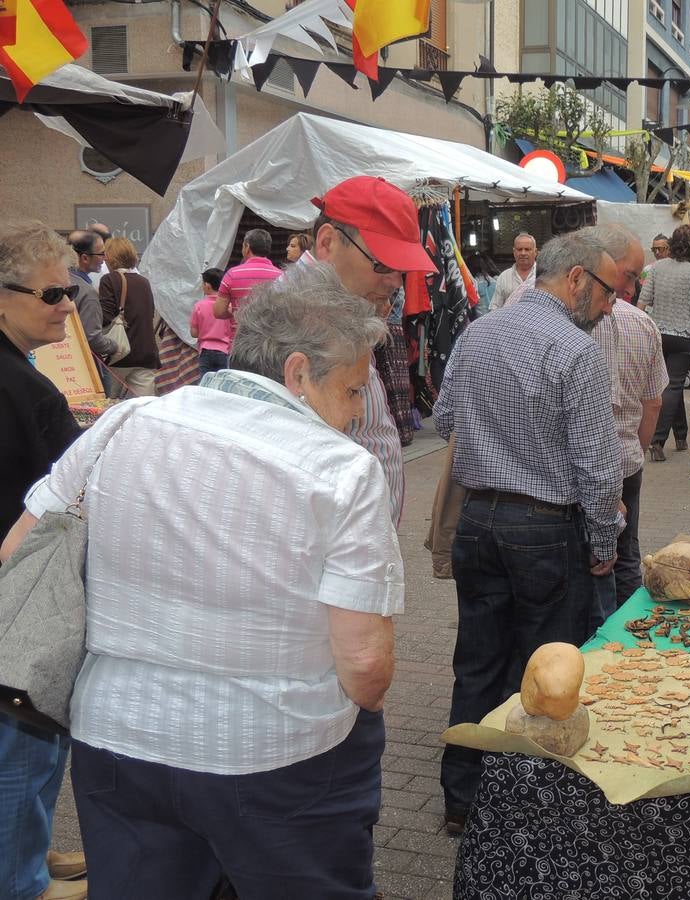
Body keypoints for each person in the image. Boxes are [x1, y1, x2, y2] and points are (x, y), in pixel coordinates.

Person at [3, 264, 404, 900]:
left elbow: (18, 548)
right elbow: (364, 666)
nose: (357, 414)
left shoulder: (125, 422)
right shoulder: (342, 472)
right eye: (354, 391)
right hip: (279, 756)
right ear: (298, 373)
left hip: (119, 742)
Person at [435, 232, 623, 834]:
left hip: (478, 520)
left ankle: (463, 799)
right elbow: (597, 466)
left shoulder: (478, 332)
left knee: (478, 663)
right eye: (606, 292)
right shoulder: (574, 350)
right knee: (545, 671)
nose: (610, 306)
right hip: (542, 526)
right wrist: (603, 544)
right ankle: (531, 808)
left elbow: (443, 419)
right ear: (575, 280)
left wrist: (496, 438)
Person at [0, 220, 87, 900]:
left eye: (72, 292)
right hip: (21, 596)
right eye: (53, 294)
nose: (67, 306)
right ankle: (18, 877)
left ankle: (25, 850)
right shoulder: (25, 391)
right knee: (22, 745)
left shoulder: (23, 377)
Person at [301, 176, 436, 528]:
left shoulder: (345, 307)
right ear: (327, 242)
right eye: (381, 264)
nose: (394, 281)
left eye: (401, 269)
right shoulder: (295, 322)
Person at [585, 224, 667, 621]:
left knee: (608, 560)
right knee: (621, 559)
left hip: (601, 470)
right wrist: (633, 447)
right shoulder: (629, 324)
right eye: (630, 274)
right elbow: (652, 404)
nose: (632, 288)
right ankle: (621, 642)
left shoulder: (528, 312)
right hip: (617, 465)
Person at [641, 225, 690, 463]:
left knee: (670, 385)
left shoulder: (657, 268)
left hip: (656, 333)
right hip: (683, 337)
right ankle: (657, 440)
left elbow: (643, 302)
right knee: (672, 386)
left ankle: (680, 436)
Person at [99, 236, 159, 398]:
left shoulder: (108, 280)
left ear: (110, 257)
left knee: (108, 407)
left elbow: (105, 317)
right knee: (142, 407)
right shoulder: (144, 282)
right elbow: (150, 314)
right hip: (145, 353)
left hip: (119, 354)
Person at [66, 230, 119, 386]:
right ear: (84, 257)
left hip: (64, 363)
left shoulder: (61, 280)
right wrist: (114, 346)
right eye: (101, 254)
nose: (105, 258)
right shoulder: (87, 292)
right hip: (86, 368)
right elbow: (92, 338)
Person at [212, 228, 282, 331]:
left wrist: (235, 313)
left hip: (240, 340)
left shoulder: (232, 275)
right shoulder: (281, 277)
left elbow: (218, 311)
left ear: (247, 247)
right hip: (270, 339)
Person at [189, 267, 233, 378]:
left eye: (203, 284)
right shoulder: (229, 306)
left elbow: (194, 333)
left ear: (207, 286)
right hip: (225, 350)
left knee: (205, 383)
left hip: (206, 350)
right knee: (223, 382)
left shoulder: (199, 305)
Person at [490, 232, 537, 309]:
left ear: (535, 252)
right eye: (519, 249)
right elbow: (495, 307)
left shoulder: (544, 275)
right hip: (508, 320)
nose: (523, 253)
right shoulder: (504, 277)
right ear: (514, 252)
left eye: (527, 249)